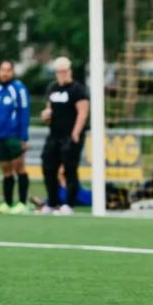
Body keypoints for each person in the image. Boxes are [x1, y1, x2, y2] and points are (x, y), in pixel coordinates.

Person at [40, 57, 89, 215]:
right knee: (48, 167)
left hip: (70, 135)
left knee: (69, 170)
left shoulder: (77, 89)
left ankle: (69, 203)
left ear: (70, 71)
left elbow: (83, 112)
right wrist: (45, 115)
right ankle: (52, 202)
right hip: (54, 134)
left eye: (65, 71)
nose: (62, 74)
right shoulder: (52, 88)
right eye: (59, 71)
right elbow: (48, 110)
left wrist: (75, 133)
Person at [0, 60, 30, 214]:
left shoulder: (18, 89)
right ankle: (7, 202)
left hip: (14, 136)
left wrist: (24, 138)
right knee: (6, 169)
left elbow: (24, 112)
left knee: (19, 167)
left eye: (7, 70)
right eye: (2, 70)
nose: (4, 73)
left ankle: (23, 203)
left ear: (12, 72)